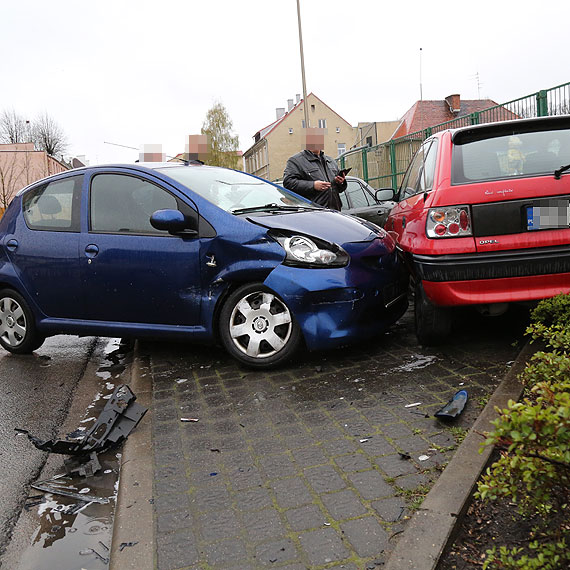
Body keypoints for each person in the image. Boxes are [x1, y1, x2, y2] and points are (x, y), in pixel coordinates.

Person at [283, 128, 347, 210]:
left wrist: (340, 182)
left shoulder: (330, 161)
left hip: (335, 211)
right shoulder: (296, 161)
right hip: (313, 212)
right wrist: (313, 185)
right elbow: (288, 183)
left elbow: (339, 189)